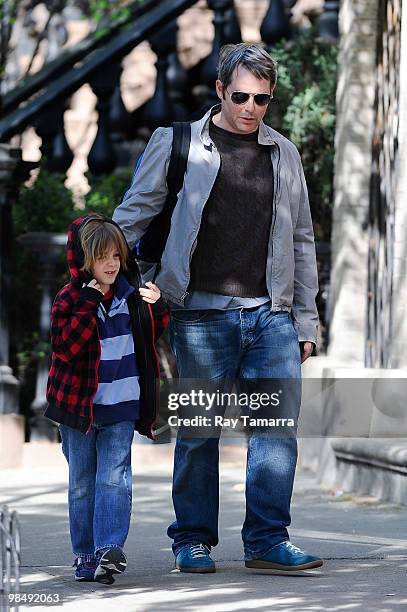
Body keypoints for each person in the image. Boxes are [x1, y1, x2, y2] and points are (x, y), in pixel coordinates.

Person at [113, 43, 323, 573]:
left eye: (262, 99)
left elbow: (301, 240)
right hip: (201, 315)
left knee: (276, 433)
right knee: (200, 432)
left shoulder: (283, 153)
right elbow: (135, 215)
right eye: (241, 96)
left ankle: (268, 541)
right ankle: (193, 539)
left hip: (270, 314)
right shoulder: (177, 142)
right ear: (219, 91)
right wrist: (101, 277)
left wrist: (306, 319)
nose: (251, 108)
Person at [45, 213, 162, 584]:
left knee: (115, 477)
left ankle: (107, 550)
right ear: (83, 260)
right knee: (83, 481)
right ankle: (84, 555)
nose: (111, 264)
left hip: (122, 404)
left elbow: (150, 336)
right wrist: (88, 302)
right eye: (102, 257)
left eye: (116, 256)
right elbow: (68, 348)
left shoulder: (132, 296)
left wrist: (157, 307)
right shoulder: (69, 298)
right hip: (79, 409)